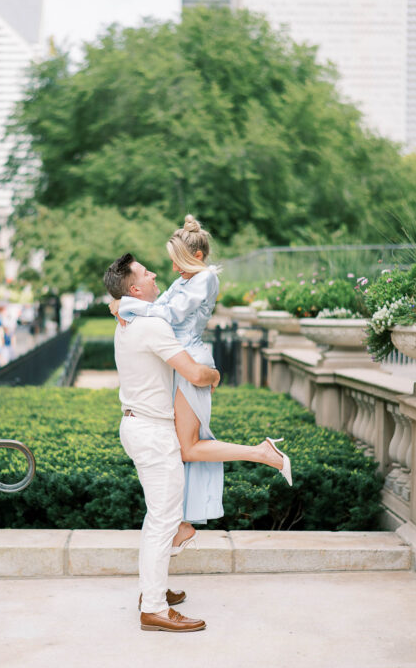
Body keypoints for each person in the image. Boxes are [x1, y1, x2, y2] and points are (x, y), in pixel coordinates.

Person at [109, 215, 291, 554]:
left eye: (178, 263)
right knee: (179, 450)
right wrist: (127, 304)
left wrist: (125, 304)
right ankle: (181, 523)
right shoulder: (186, 280)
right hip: (178, 363)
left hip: (191, 363)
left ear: (195, 257)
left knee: (188, 448)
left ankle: (263, 454)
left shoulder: (204, 279)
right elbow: (159, 306)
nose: (173, 271)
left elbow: (169, 315)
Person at [105, 252, 218, 632]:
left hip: (141, 428)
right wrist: (214, 374)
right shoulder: (149, 324)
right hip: (151, 433)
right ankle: (153, 607)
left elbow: (117, 302)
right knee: (163, 520)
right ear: (135, 288)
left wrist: (116, 303)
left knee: (160, 517)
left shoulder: (131, 316)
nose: (155, 275)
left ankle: (151, 591)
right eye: (146, 273)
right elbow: (193, 373)